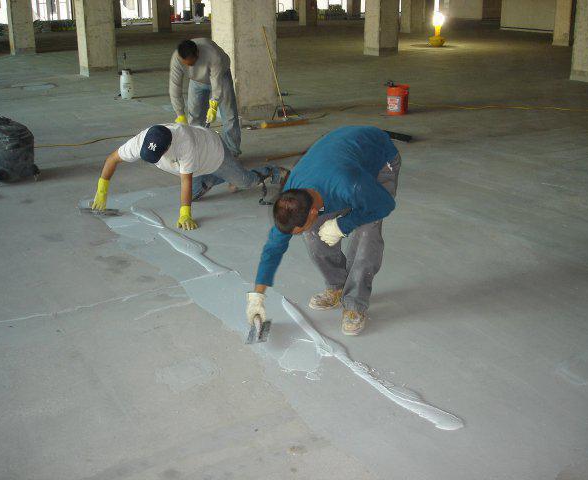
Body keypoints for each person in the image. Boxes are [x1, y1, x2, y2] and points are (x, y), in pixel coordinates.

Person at [245, 126, 401, 336]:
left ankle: (355, 304)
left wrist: (342, 225)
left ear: (312, 212)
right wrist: (258, 296)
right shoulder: (292, 196)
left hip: (379, 158)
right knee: (312, 234)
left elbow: (384, 205)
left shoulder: (348, 185)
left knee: (367, 232)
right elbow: (273, 248)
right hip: (339, 156)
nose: (295, 234)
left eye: (299, 228)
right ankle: (337, 285)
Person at [91, 123, 286, 230]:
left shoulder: (184, 143)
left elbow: (186, 179)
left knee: (245, 182)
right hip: (198, 167)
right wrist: (102, 191)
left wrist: (185, 214)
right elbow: (111, 160)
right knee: (192, 196)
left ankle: (275, 172)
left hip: (214, 154)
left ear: (168, 147)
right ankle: (217, 179)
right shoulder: (140, 141)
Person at [169, 38, 241, 157]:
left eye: (191, 63)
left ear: (197, 54)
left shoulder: (212, 55)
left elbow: (216, 83)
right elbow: (175, 87)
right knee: (195, 117)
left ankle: (232, 153)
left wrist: (213, 105)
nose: (188, 66)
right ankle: (196, 151)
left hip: (221, 77)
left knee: (229, 116)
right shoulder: (176, 58)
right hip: (196, 81)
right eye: (186, 64)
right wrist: (179, 113)